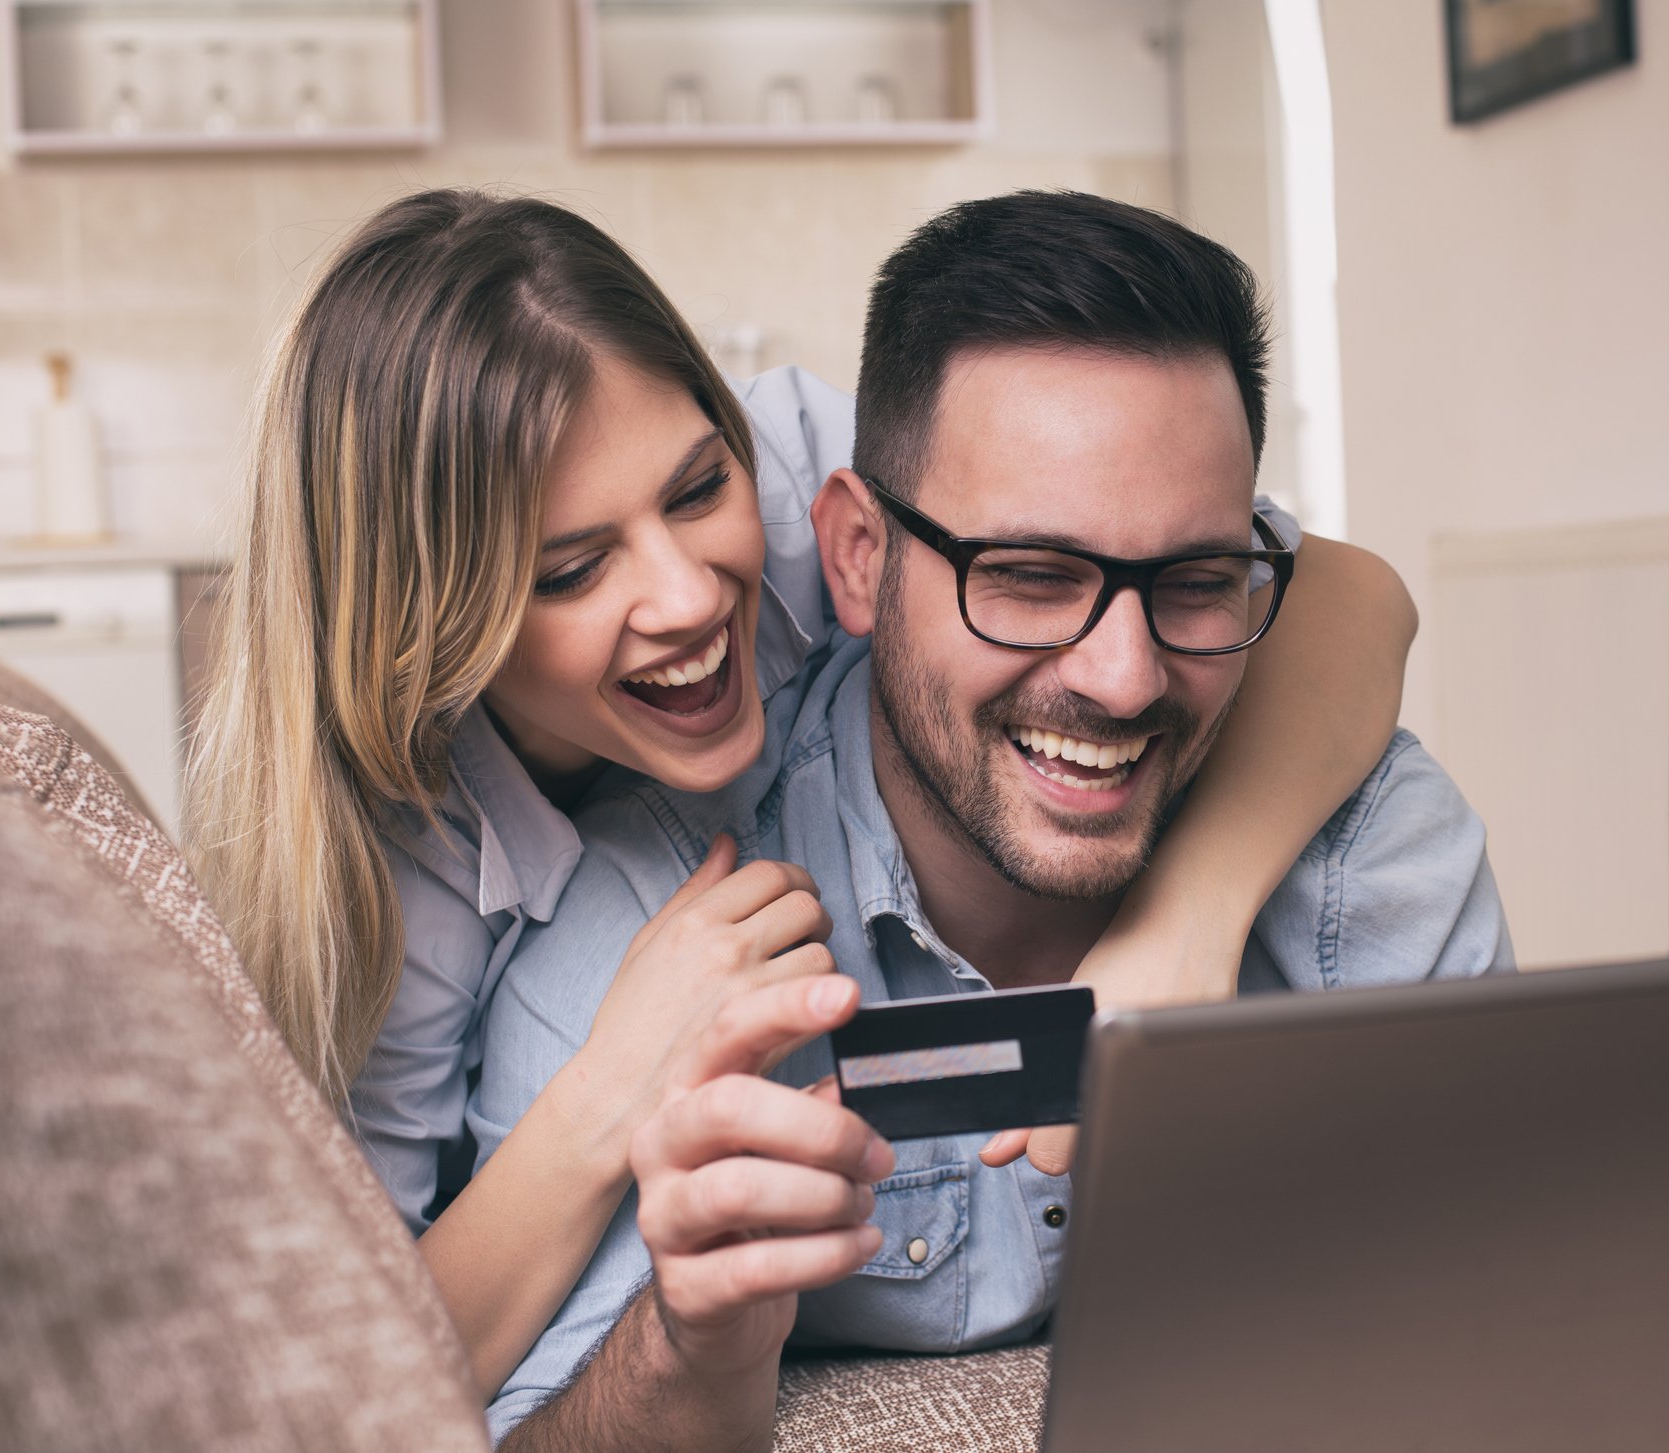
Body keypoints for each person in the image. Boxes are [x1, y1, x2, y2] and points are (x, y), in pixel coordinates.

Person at [181, 189, 1422, 1398]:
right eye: (570, 569)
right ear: (427, 628)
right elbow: (339, 1391)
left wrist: (1174, 940)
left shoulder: (801, 481)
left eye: (691, 490)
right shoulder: (404, 871)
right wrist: (613, 1088)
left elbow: (1347, 595)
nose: (688, 595)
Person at [471, 190, 1514, 1447]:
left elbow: (1510, 1328)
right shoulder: (648, 930)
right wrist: (692, 1347)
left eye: (1190, 582)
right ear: (855, 557)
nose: (1121, 678)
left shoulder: (1363, 851)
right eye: (1025, 579)